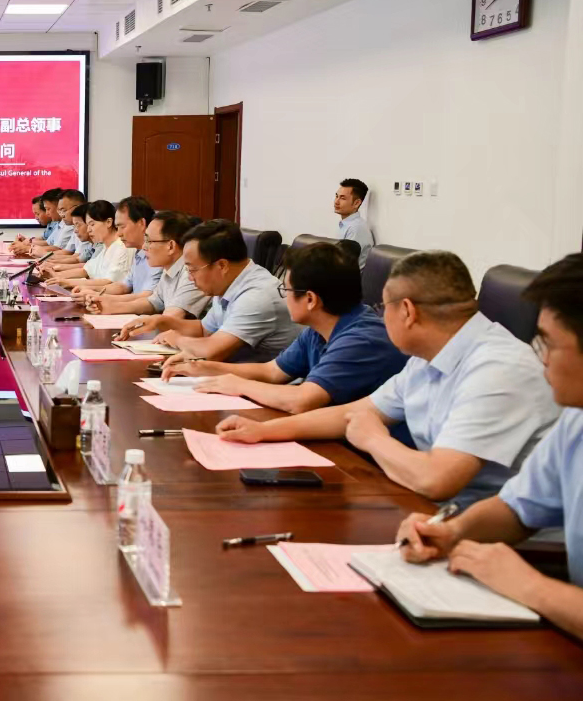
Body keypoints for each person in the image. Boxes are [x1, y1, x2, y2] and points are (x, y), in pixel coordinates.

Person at [216, 250, 560, 505]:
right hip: (438, 513)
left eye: (383, 308)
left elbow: (436, 479)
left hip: (508, 541)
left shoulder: (497, 370)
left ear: (407, 311)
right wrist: (262, 431)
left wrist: (373, 438)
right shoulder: (428, 357)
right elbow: (354, 413)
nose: (379, 317)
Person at [396, 254, 583, 639]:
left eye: (548, 343)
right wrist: (453, 532)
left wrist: (531, 586)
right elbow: (517, 508)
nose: (541, 359)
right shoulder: (575, 421)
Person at [163, 242, 408, 414]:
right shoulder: (318, 328)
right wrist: (205, 367)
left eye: (286, 290)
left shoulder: (361, 338)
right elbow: (272, 372)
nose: (284, 297)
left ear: (310, 299)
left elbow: (302, 400)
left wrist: (238, 384)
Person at [118, 219, 299, 363]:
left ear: (221, 265)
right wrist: (160, 321)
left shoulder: (257, 296)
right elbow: (205, 329)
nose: (190, 278)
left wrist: (178, 339)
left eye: (192, 269)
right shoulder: (229, 282)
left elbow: (212, 351)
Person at [106, 211, 209, 322]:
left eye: (149, 241)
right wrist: (110, 306)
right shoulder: (169, 268)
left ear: (170, 246)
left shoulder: (191, 273)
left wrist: (141, 321)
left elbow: (171, 317)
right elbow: (153, 302)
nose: (144, 247)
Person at [74, 196, 158, 302]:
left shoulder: (157, 253)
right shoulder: (138, 252)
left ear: (141, 223)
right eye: (117, 228)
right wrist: (92, 291)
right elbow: (123, 286)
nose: (118, 233)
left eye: (122, 227)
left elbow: (148, 297)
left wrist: (102, 298)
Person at [42, 200, 135, 289]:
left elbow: (109, 282)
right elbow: (86, 270)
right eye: (88, 225)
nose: (88, 230)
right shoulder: (106, 247)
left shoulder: (121, 247)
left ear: (108, 222)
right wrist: (55, 275)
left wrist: (67, 282)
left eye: (92, 224)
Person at [335, 178, 374, 268]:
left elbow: (344, 265)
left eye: (342, 198)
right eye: (337, 196)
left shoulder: (356, 228)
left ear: (356, 203)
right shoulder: (347, 225)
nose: (336, 201)